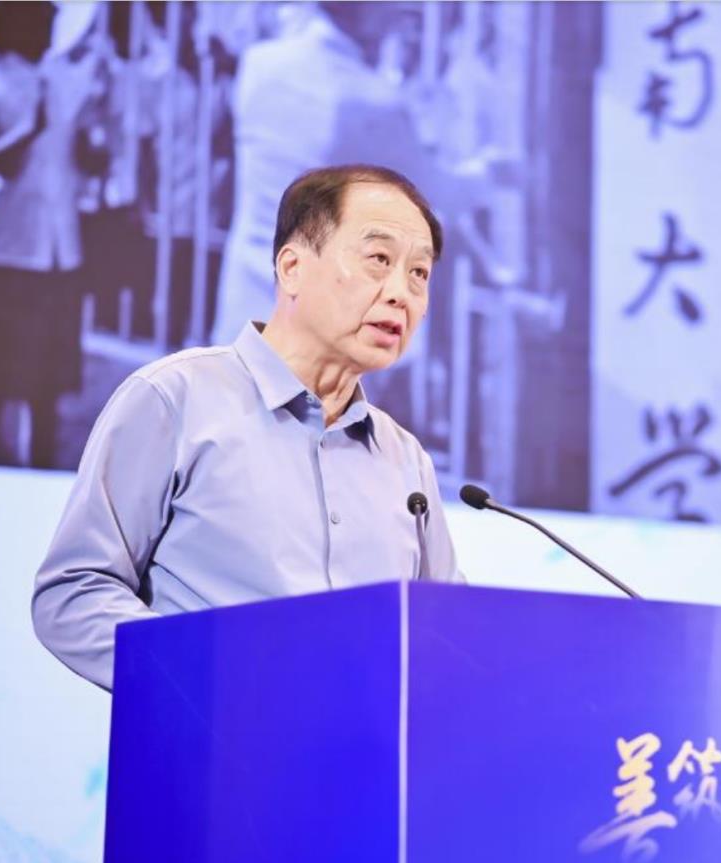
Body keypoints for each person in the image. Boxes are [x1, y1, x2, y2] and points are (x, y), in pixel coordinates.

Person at [32, 165, 464, 691]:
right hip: (211, 736)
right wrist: (208, 676)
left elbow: (450, 636)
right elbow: (74, 591)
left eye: (419, 273)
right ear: (292, 268)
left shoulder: (406, 460)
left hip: (359, 744)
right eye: (379, 259)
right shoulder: (176, 400)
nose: (401, 293)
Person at [0, 1, 101, 467]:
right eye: (41, 18)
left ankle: (40, 476)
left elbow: (81, 158)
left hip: (56, 252)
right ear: (12, 22)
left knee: (46, 388)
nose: (51, 27)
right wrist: (27, 129)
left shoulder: (63, 80)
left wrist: (93, 144)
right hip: (1, 251)